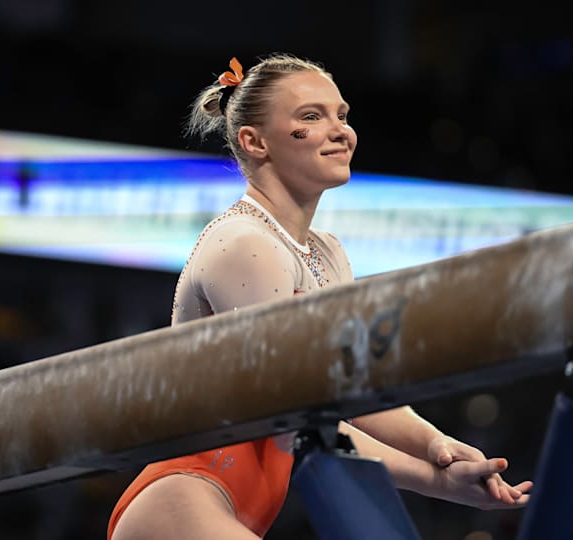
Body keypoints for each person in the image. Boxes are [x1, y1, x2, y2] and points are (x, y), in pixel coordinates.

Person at [107, 53, 532, 540]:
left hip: (243, 507)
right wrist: (432, 481)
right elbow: (301, 418)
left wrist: (438, 447)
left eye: (342, 115)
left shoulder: (327, 253)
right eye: (311, 116)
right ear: (254, 141)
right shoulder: (245, 245)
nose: (341, 131)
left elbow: (353, 394)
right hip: (187, 496)